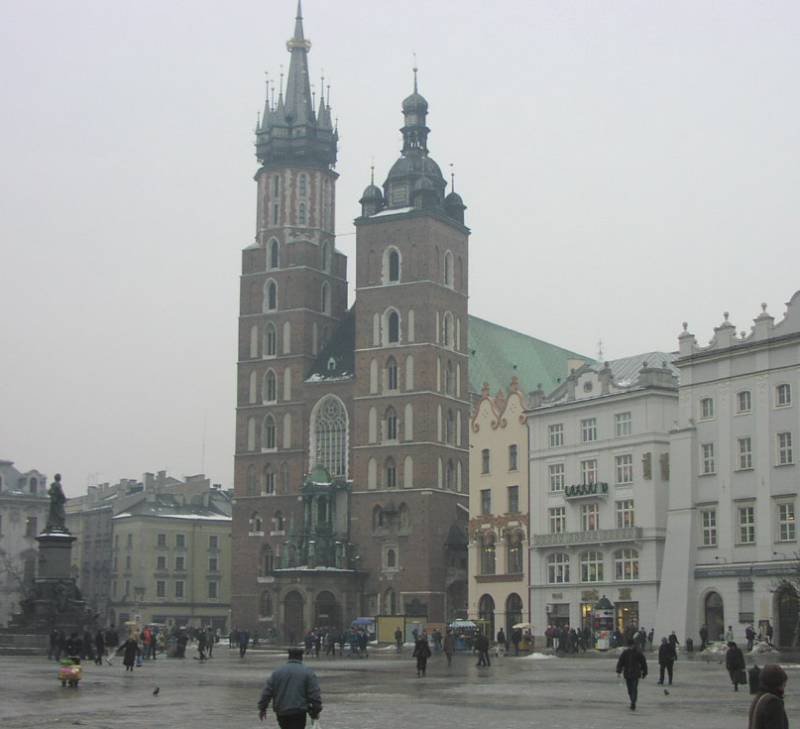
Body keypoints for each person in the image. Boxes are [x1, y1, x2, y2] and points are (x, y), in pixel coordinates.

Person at [258, 648, 322, 729]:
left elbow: (267, 692)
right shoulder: (308, 672)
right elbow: (314, 693)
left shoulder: (277, 672)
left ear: (289, 657)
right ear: (301, 657)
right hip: (299, 712)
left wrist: (262, 708)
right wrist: (316, 710)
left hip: (282, 712)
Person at [749, 664, 788, 729]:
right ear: (778, 682)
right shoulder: (773, 702)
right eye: (784, 682)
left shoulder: (759, 698)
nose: (785, 685)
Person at [616, 639, 648, 711]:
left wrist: (645, 672)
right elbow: (621, 662)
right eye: (630, 645)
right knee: (630, 689)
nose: (631, 646)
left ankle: (633, 702)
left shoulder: (638, 653)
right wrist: (619, 670)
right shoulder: (625, 653)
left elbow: (643, 662)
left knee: (634, 688)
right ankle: (632, 700)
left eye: (632, 645)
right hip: (627, 674)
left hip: (635, 674)